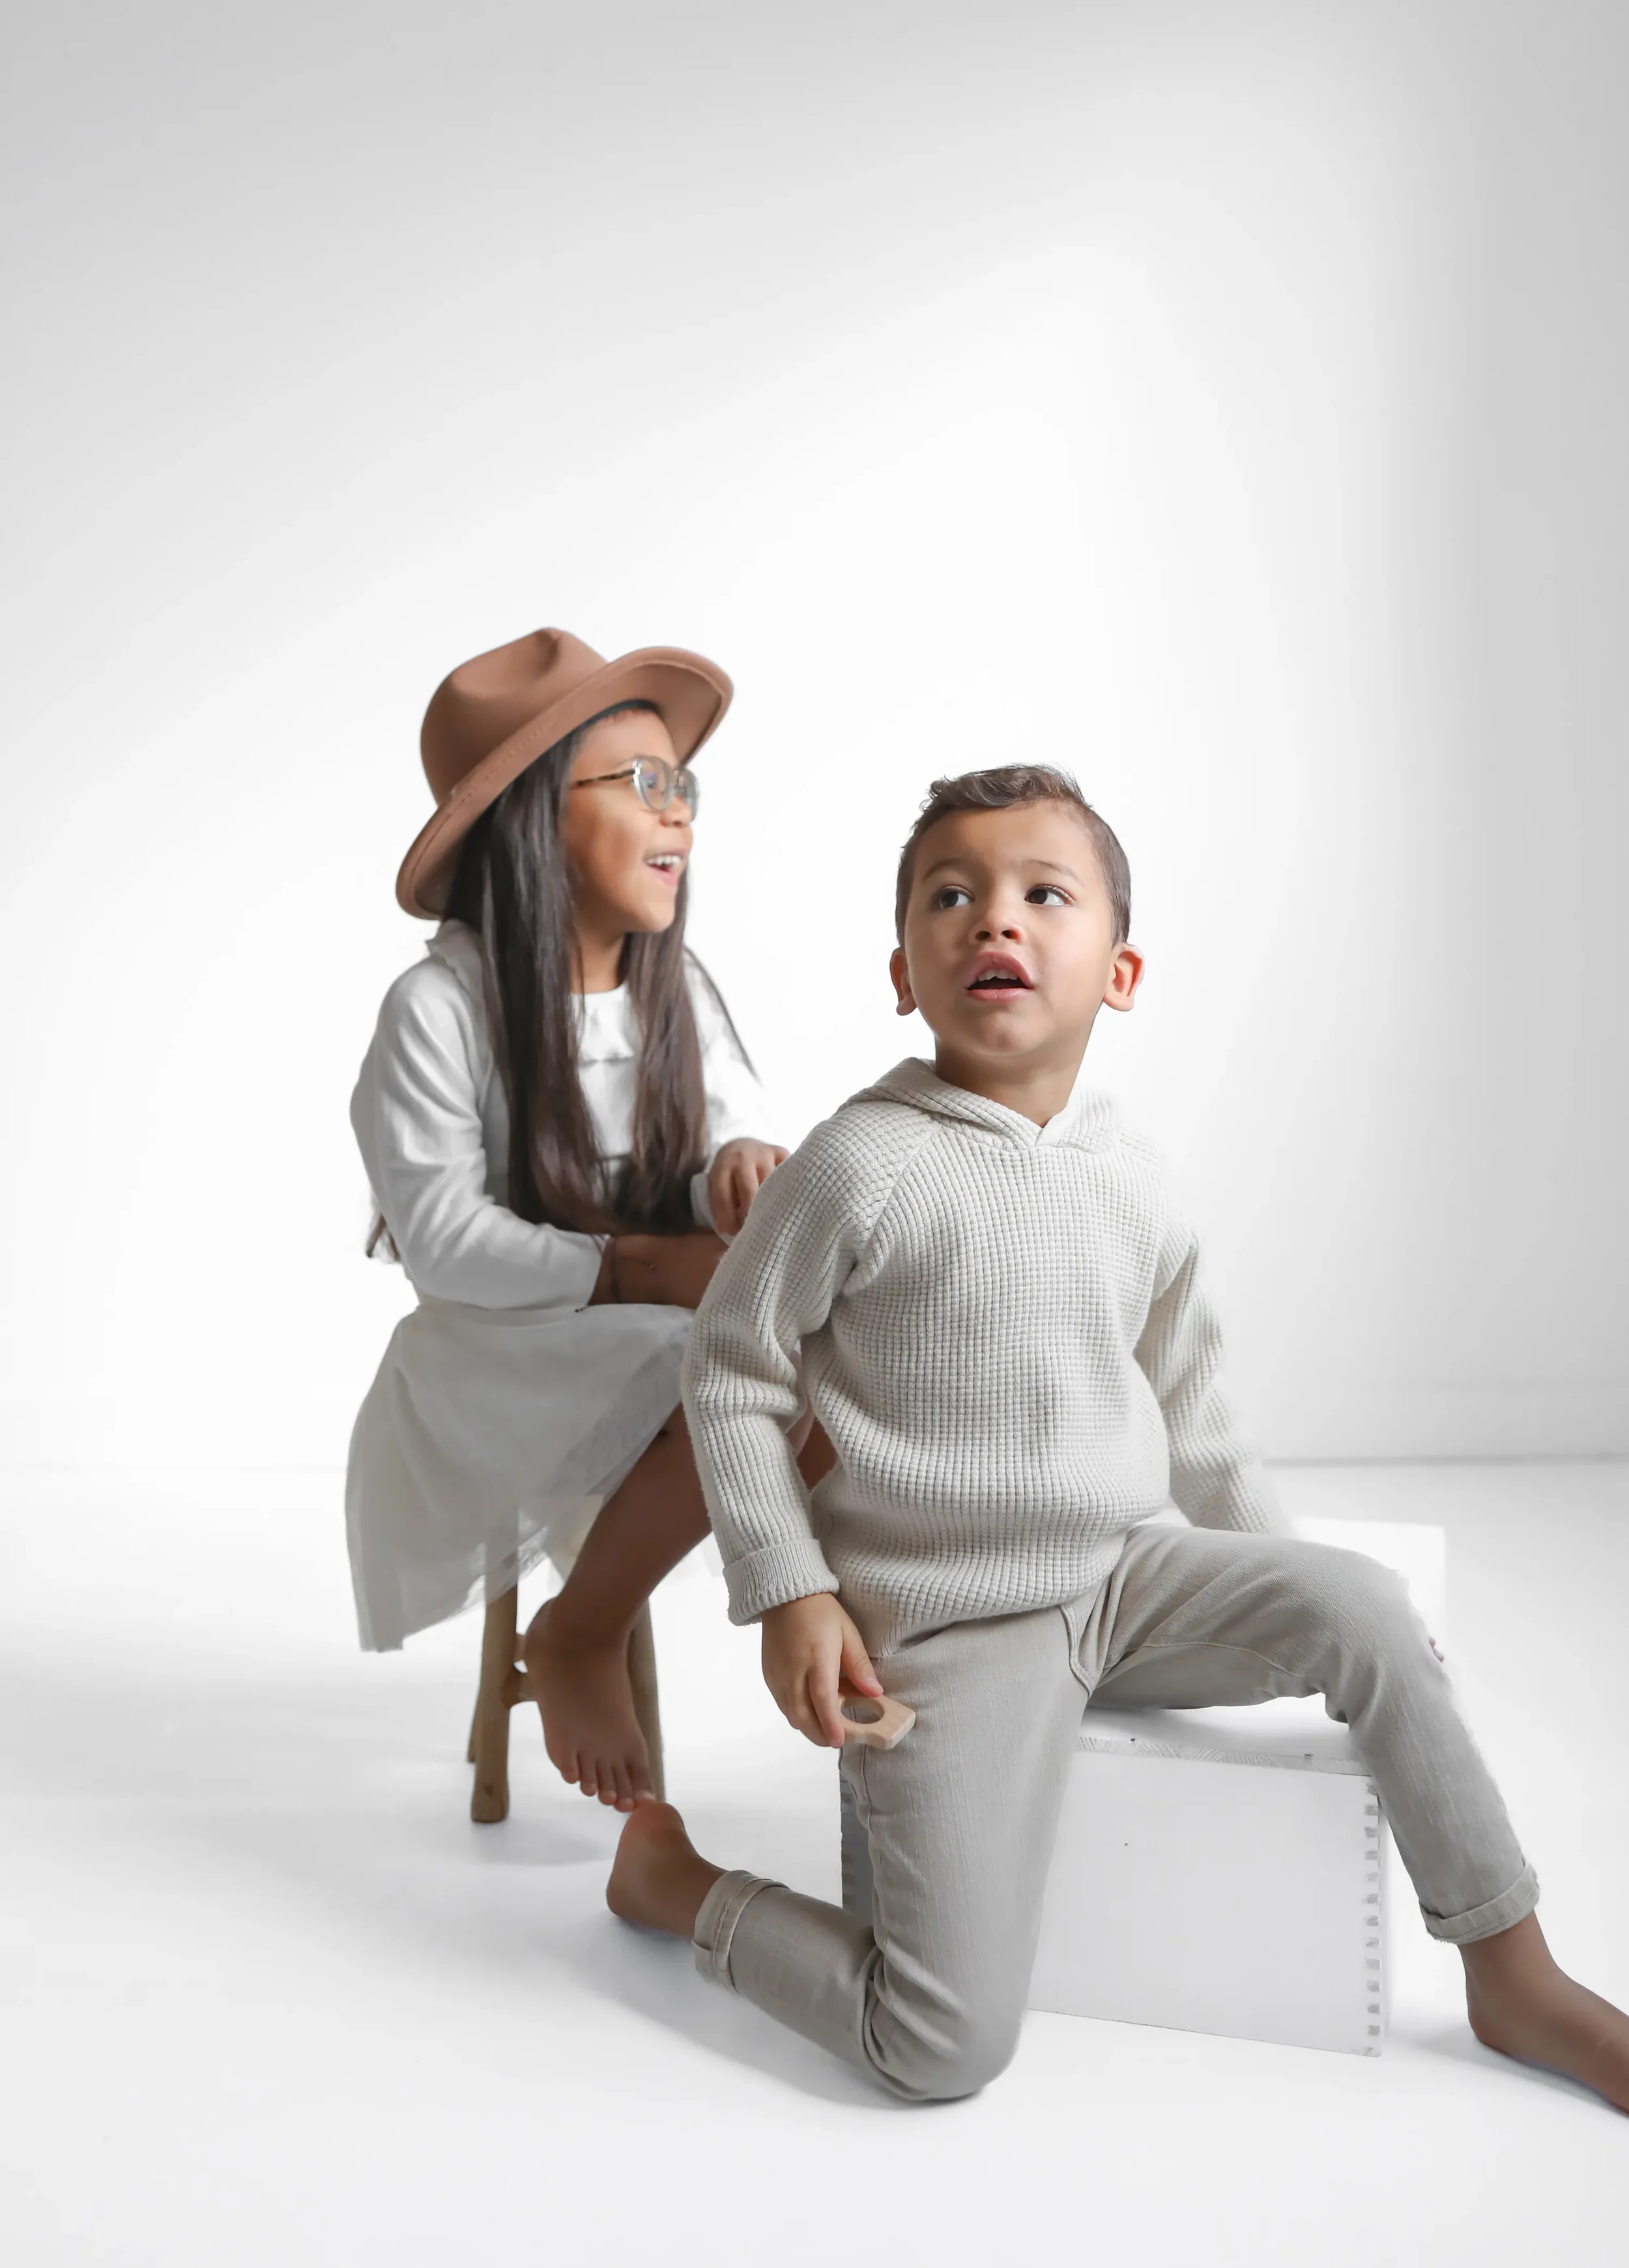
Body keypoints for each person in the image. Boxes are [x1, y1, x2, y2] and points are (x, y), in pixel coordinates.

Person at [607, 761, 1629, 2111]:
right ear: (903, 971)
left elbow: (1194, 1409)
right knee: (938, 2049)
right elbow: (730, 1373)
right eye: (950, 897)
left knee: (1366, 1611)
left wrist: (1282, 1585)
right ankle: (682, 1890)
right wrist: (789, 1590)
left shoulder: (1130, 1172)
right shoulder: (858, 1164)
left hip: (1127, 1578)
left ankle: (1510, 1965)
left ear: (1120, 972)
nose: (994, 922)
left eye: (1042, 894)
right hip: (947, 1630)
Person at [346, 624, 828, 1812]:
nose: (681, 818)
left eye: (687, 787)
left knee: (823, 1366)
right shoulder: (440, 1007)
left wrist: (739, 1164)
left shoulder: (680, 989)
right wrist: (635, 1265)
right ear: (531, 817)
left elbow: (729, 1128)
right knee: (711, 1367)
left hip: (640, 1319)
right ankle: (580, 1629)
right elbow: (447, 1242)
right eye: (645, 785)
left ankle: (833, 1607)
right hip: (497, 1348)